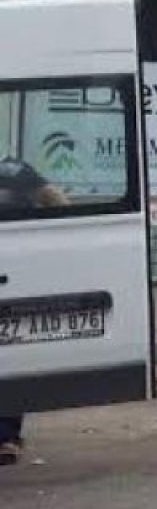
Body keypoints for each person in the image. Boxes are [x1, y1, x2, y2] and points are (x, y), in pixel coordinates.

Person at [0, 156, 70, 465]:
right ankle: (5, 438)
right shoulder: (11, 168)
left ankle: (5, 436)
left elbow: (56, 200)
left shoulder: (11, 170)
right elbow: (57, 201)